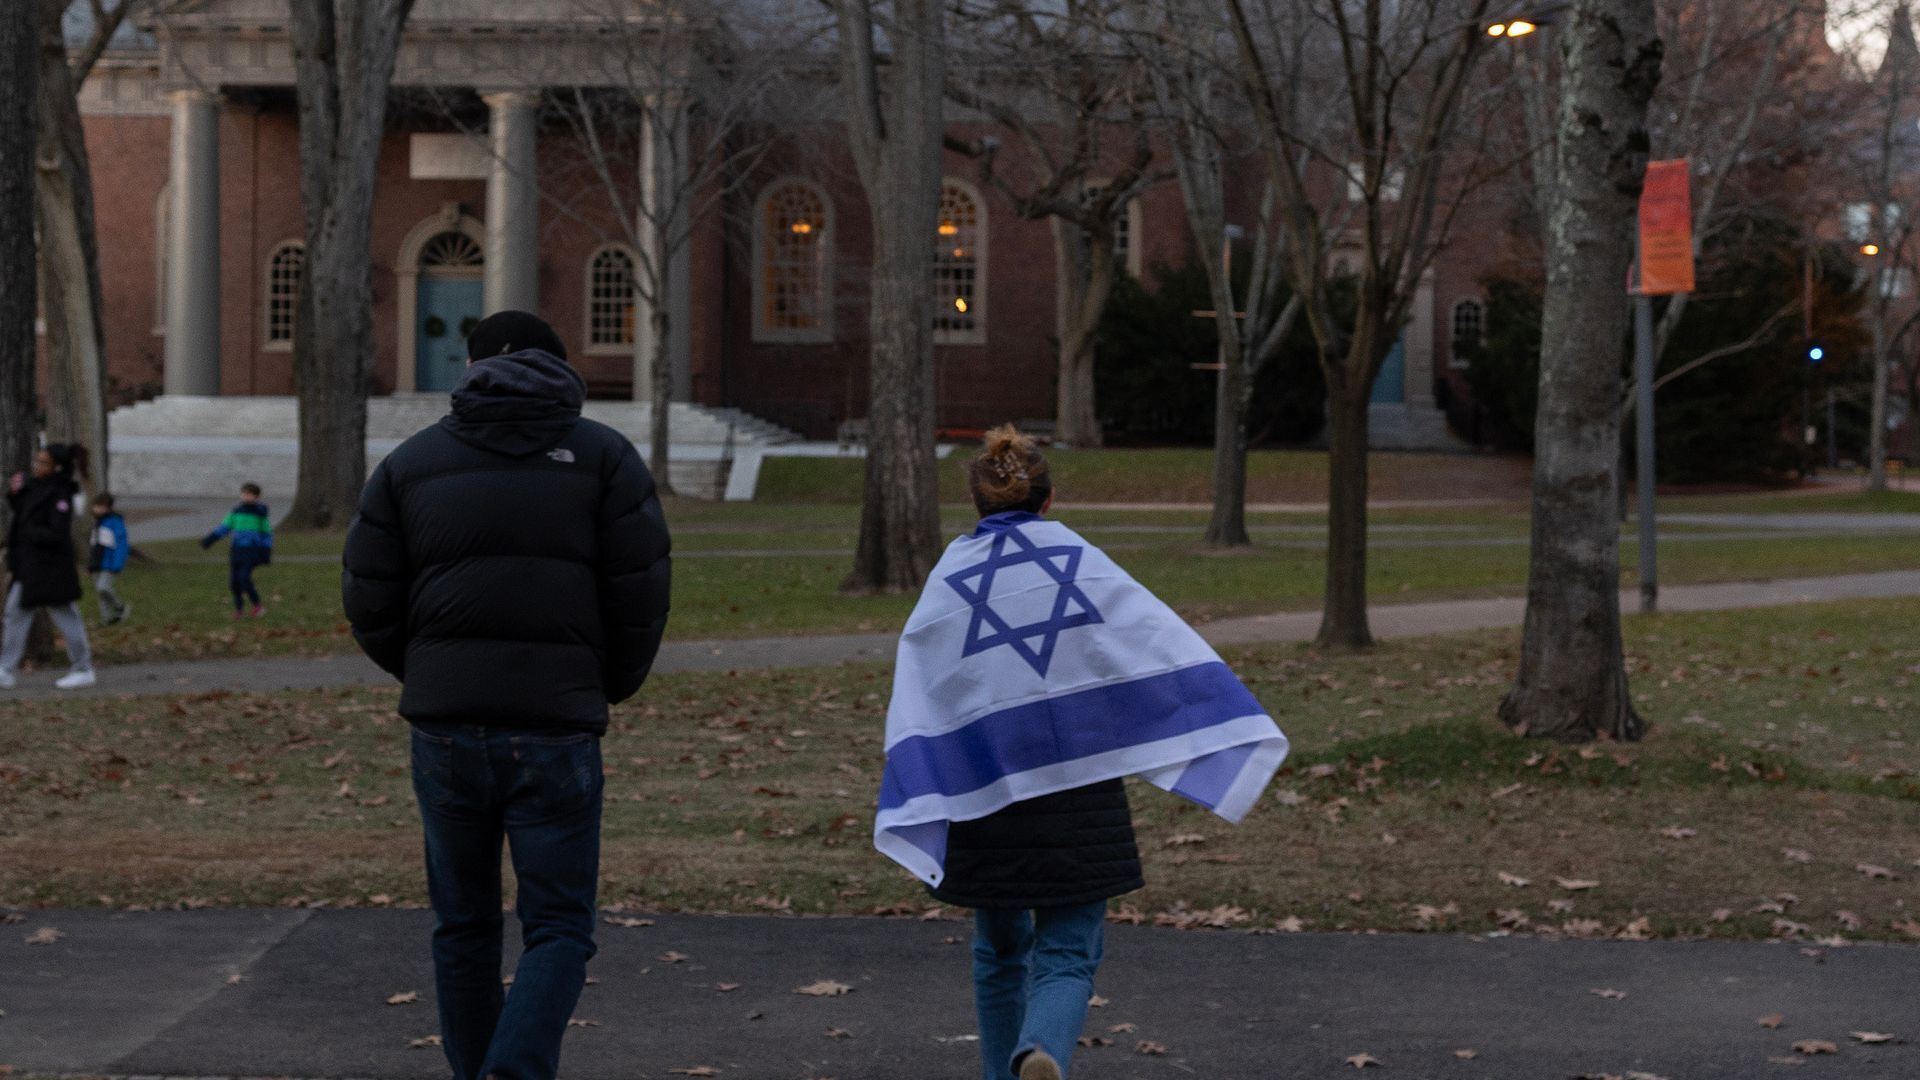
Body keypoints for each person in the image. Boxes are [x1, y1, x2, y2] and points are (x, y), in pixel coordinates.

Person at [875, 426, 1289, 1080]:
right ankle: (1040, 1051)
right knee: (1067, 953)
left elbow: (925, 690)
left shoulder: (949, 578)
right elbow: (1148, 643)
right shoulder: (1079, 561)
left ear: (977, 503)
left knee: (998, 952)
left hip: (987, 789)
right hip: (1080, 788)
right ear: (1050, 497)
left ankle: (1000, 1074)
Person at [342, 310, 671, 1080]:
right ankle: (513, 1071)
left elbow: (369, 598)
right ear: (561, 368)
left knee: (462, 926)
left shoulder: (410, 464)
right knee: (558, 924)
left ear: (471, 369)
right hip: (556, 726)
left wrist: (429, 674)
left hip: (448, 728)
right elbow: (641, 593)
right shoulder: (604, 460)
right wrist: (605, 685)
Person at [1, 443, 98, 690]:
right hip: (31, 567)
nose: (36, 466)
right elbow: (25, 511)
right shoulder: (36, 487)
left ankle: (83, 668)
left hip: (51, 568)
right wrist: (15, 495)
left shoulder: (61, 492)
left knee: (66, 617)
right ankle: (6, 668)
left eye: (42, 463)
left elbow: (57, 532)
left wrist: (28, 532)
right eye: (36, 461)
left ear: (56, 467)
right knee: (15, 614)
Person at [200, 482, 272, 618]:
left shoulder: (260, 515)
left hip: (252, 550)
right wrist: (209, 540)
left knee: (244, 578)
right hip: (236, 550)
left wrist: (265, 552)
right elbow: (224, 528)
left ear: (257, 497)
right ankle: (239, 610)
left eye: (250, 494)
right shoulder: (236, 512)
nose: (246, 497)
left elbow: (267, 535)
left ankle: (258, 606)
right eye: (244, 494)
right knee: (234, 582)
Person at [88, 492, 131, 625]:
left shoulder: (115, 522)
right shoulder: (97, 523)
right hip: (97, 563)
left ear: (108, 507)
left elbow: (121, 544)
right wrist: (90, 563)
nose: (98, 509)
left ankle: (120, 607)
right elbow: (94, 545)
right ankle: (106, 619)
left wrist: (117, 564)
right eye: (97, 506)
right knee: (101, 594)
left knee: (103, 587)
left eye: (101, 506)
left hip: (109, 563)